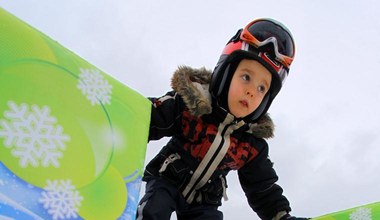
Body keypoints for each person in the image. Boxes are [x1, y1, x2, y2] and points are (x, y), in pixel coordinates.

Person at [136, 18, 308, 220]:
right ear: (225, 74)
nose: (251, 91)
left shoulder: (251, 144)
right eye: (246, 77)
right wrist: (120, 118)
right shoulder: (192, 106)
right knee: (155, 209)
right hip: (169, 179)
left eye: (262, 88)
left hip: (205, 200)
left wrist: (281, 216)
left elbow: (263, 188)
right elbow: (149, 118)